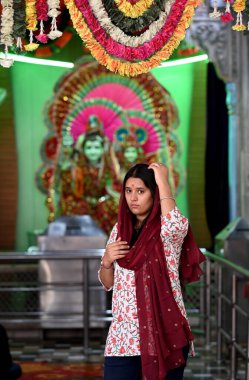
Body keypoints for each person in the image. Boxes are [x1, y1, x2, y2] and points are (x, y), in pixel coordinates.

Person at [98, 163, 205, 380]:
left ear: (153, 193)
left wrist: (163, 180)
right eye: (129, 191)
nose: (133, 198)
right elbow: (108, 283)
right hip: (123, 337)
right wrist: (107, 261)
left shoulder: (166, 232)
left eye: (141, 191)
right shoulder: (120, 230)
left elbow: (176, 224)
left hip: (164, 335)